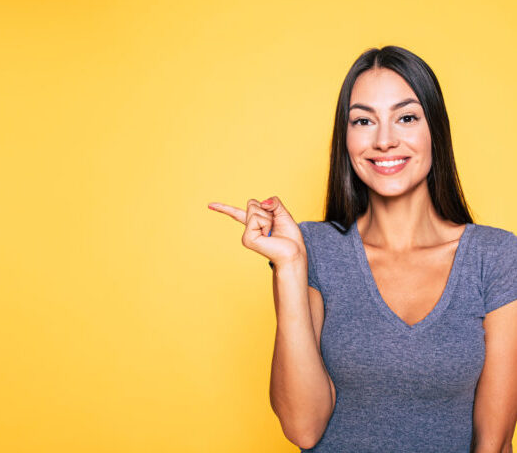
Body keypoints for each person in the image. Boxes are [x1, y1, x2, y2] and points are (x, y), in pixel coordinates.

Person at [207, 45, 517, 452]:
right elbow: (303, 428)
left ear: (435, 130)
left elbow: (493, 444)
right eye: (363, 121)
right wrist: (291, 266)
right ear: (346, 138)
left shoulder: (496, 256)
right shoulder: (312, 248)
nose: (385, 140)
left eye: (406, 117)